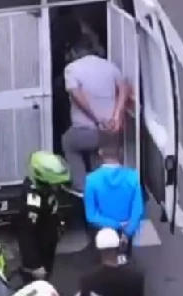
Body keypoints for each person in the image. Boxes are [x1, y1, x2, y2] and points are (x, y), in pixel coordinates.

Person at [60, 40, 130, 192]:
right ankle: (102, 188)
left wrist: (97, 119)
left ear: (75, 53)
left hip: (88, 130)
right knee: (99, 154)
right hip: (112, 131)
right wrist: (116, 116)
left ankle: (81, 187)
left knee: (68, 142)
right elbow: (124, 87)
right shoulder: (109, 66)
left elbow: (75, 94)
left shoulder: (72, 69)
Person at [15, 151, 71, 281]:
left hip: (47, 245)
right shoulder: (33, 199)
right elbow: (26, 234)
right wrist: (34, 265)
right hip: (38, 256)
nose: (57, 186)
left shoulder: (46, 190)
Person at [83, 141, 144, 256]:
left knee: (103, 264)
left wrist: (115, 225)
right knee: (124, 260)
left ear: (100, 153)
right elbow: (138, 210)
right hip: (126, 230)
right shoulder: (133, 177)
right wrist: (126, 232)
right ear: (120, 153)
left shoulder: (91, 180)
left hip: (102, 231)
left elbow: (91, 215)